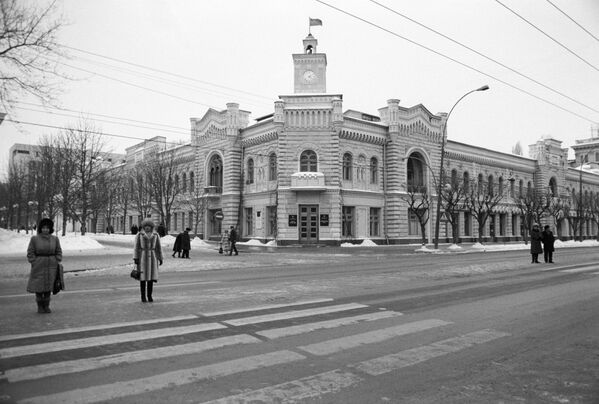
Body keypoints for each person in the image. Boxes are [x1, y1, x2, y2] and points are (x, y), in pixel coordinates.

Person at [26, 218, 62, 313]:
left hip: (51, 265)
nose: (45, 229)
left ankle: (46, 306)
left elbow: (58, 250)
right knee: (38, 286)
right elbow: (30, 252)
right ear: (40, 228)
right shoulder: (34, 239)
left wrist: (57, 259)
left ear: (50, 229)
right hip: (39, 265)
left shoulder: (55, 239)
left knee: (48, 286)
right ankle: (40, 306)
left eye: (47, 228)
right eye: (43, 228)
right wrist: (34, 261)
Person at [133, 219, 163, 302]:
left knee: (151, 279)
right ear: (143, 227)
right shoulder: (139, 235)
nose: (147, 228)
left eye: (148, 227)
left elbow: (158, 247)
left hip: (153, 258)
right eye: (145, 226)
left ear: (151, 227)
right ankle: (143, 296)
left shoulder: (156, 235)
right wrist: (136, 258)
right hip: (142, 258)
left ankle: (149, 296)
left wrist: (160, 257)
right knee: (142, 279)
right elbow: (136, 247)